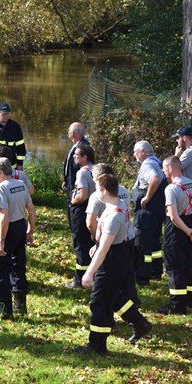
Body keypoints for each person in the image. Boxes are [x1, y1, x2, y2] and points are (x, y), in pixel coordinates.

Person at [76, 174, 152, 355]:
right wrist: (99, 244)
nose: (95, 191)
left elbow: (104, 250)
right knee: (113, 296)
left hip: (113, 259)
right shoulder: (117, 205)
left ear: (103, 190)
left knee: (99, 301)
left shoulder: (114, 216)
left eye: (96, 188)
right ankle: (140, 323)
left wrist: (88, 273)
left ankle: (97, 346)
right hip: (118, 254)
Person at [0, 157, 36, 319]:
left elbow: (4, 217)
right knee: (18, 265)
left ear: (1, 172)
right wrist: (29, 231)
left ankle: (4, 310)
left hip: (6, 229)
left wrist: (1, 241)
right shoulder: (21, 184)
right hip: (20, 227)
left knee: (1, 269)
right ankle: (20, 305)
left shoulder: (1, 188)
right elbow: (31, 209)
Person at [161, 156, 192, 314]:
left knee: (174, 266)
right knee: (190, 264)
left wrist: (186, 230)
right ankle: (190, 300)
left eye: (164, 168)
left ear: (171, 169)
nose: (163, 171)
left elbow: (173, 216)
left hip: (176, 230)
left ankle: (177, 305)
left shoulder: (171, 189)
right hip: (191, 224)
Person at [131, 141, 166, 285]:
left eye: (135, 151)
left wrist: (147, 197)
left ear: (143, 152)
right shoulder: (159, 162)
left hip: (147, 211)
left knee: (142, 242)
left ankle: (142, 277)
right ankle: (155, 272)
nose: (134, 155)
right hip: (157, 209)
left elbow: (155, 179)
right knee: (155, 241)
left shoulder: (147, 164)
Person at [67, 144, 96, 289]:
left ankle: (80, 280)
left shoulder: (82, 173)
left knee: (80, 244)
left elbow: (83, 195)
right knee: (93, 243)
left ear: (85, 158)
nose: (74, 156)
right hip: (95, 211)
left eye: (76, 155)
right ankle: (94, 275)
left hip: (82, 211)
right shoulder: (97, 169)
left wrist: (73, 201)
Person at [85, 163, 131, 241]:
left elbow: (90, 223)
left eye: (93, 177)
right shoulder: (124, 190)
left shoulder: (96, 196)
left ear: (99, 178)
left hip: (109, 239)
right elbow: (127, 212)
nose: (92, 179)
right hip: (127, 235)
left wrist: (97, 238)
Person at [62, 122, 90, 195]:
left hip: (77, 185)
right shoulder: (77, 144)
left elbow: (82, 166)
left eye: (69, 131)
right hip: (71, 182)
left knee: (74, 204)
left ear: (72, 134)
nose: (68, 132)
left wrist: (74, 185)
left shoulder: (83, 147)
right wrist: (66, 180)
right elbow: (69, 163)